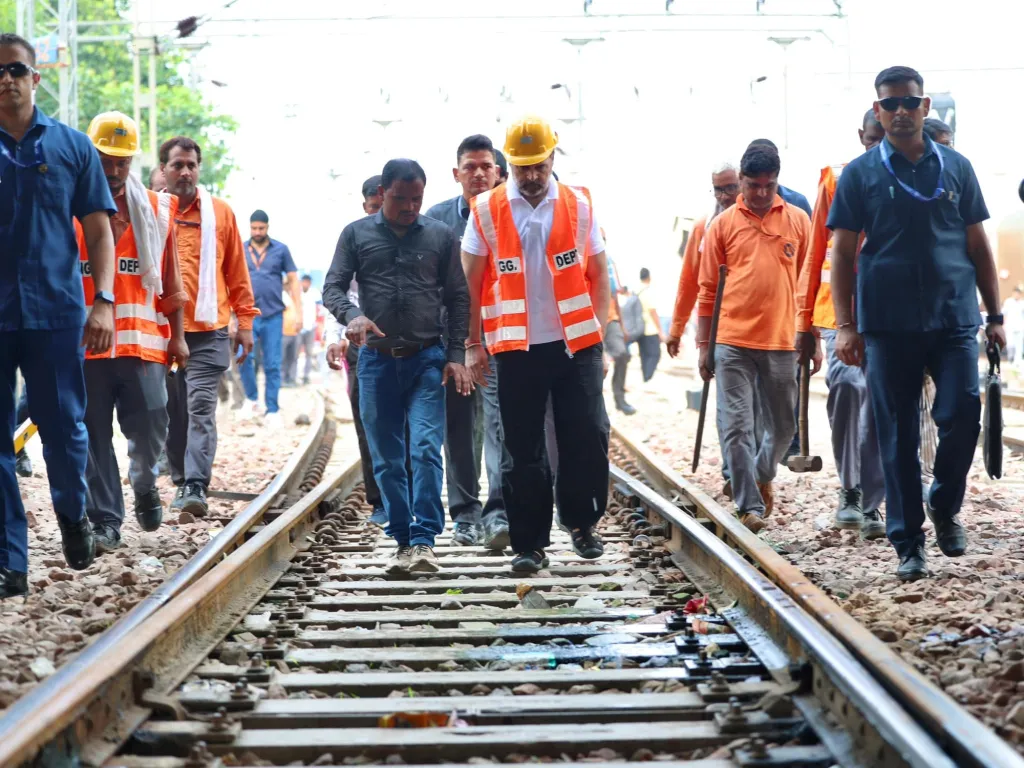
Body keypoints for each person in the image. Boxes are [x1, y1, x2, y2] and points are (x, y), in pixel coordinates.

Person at [828, 66, 1004, 581]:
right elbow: (841, 254)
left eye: (909, 102)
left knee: (962, 414)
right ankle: (908, 544)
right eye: (890, 105)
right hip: (886, 324)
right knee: (898, 434)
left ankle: (944, 505)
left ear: (925, 107)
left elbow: (978, 245)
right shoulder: (860, 175)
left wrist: (993, 315)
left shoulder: (956, 168)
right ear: (878, 111)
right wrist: (846, 325)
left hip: (953, 317)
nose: (900, 112)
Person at [461, 115, 610, 573]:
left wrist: (598, 337)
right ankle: (529, 544)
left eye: (538, 167)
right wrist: (472, 343)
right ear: (512, 163)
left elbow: (600, 275)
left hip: (575, 345)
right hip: (515, 347)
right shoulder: (486, 210)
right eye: (522, 167)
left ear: (552, 159)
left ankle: (582, 524)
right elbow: (469, 282)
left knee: (585, 437)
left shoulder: (579, 205)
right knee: (522, 449)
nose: (530, 177)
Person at [0, 33, 117, 596]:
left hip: (57, 312)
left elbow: (99, 232)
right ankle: (11, 563)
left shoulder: (73, 147)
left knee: (64, 428)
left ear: (35, 77)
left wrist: (105, 301)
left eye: (17, 69)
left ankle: (74, 519)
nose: (7, 79)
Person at [323, 159, 472, 575]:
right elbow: (332, 286)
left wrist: (456, 356)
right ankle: (404, 540)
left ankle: (425, 540)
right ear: (383, 193)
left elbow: (459, 297)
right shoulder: (356, 234)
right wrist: (350, 314)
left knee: (425, 448)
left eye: (416, 199)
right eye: (400, 199)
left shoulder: (441, 237)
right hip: (376, 363)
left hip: (427, 359)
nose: (409, 207)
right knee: (388, 458)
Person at [75, 111, 190, 552]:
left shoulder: (158, 210)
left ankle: (144, 480)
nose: (114, 169)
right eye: (106, 158)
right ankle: (105, 521)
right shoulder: (68, 205)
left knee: (151, 423)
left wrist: (178, 337)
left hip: (143, 346)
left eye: (123, 161)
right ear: (91, 155)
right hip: (88, 346)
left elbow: (172, 281)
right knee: (93, 435)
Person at [697, 143, 811, 534]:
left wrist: (807, 330)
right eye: (752, 185)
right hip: (732, 341)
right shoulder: (723, 225)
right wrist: (702, 346)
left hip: (782, 342)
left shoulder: (798, 221)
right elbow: (707, 289)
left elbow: (808, 283)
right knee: (737, 426)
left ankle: (763, 473)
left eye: (768, 185)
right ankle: (749, 505)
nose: (760, 193)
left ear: (777, 182)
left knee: (783, 428)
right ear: (741, 181)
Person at [795, 109, 887, 541]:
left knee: (880, 403)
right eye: (871, 138)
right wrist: (804, 324)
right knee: (848, 391)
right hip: (839, 315)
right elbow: (816, 252)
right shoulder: (836, 180)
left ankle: (872, 501)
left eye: (882, 138)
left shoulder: (908, 178)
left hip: (890, 315)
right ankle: (850, 489)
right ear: (861, 136)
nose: (877, 145)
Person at [161, 136, 257, 517]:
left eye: (191, 165)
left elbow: (236, 270)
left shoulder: (221, 213)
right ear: (164, 171)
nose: (185, 172)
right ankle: (181, 476)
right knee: (170, 410)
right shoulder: (151, 211)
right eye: (177, 165)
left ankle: (195, 485)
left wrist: (245, 322)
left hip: (209, 331)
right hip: (162, 333)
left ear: (198, 169)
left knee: (200, 406)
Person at [425, 134, 501, 547]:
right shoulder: (437, 222)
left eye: (485, 166)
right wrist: (451, 347)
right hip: (454, 345)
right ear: (456, 174)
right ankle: (466, 514)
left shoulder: (510, 213)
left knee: (500, 427)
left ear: (498, 172)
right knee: (459, 429)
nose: (478, 174)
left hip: (504, 340)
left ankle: (500, 511)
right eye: (469, 167)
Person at [667, 161, 757, 499]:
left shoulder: (758, 221)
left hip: (764, 330)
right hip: (724, 330)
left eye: (730, 187)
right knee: (731, 407)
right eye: (718, 189)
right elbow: (689, 280)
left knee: (759, 408)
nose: (725, 195)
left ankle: (752, 467)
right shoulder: (704, 226)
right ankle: (734, 469)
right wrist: (677, 328)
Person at [324, 175, 388, 528]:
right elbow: (338, 294)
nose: (382, 214)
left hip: (403, 345)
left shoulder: (415, 237)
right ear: (366, 206)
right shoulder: (353, 239)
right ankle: (378, 499)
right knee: (368, 423)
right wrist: (336, 336)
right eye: (375, 207)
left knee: (406, 425)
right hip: (361, 347)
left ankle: (403, 495)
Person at [238, 210, 301, 427]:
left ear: (267, 227)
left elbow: (293, 281)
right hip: (247, 315)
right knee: (243, 357)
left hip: (274, 315)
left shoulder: (281, 250)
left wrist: (299, 313)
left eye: (261, 228)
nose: (257, 232)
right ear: (250, 227)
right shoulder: (240, 249)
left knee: (273, 363)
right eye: (254, 228)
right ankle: (252, 398)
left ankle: (272, 409)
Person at [635, 268, 664, 382]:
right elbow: (653, 312)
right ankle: (648, 378)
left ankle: (645, 377)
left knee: (644, 355)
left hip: (639, 329)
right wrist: (660, 330)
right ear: (649, 277)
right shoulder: (648, 291)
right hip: (650, 329)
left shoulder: (637, 291)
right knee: (655, 355)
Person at [298, 274, 321, 385]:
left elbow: (320, 306)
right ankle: (295, 376)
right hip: (299, 328)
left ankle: (306, 376)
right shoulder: (297, 294)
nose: (306, 283)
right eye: (304, 281)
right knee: (296, 354)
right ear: (301, 282)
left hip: (310, 327)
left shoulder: (314, 293)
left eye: (308, 282)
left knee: (308, 353)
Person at [281, 278, 301, 388]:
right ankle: (282, 379)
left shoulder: (293, 296)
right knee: (282, 358)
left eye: (289, 284)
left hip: (294, 332)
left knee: (292, 357)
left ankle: (290, 379)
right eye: (286, 284)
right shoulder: (281, 295)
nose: (287, 286)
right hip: (284, 332)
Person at [1003, 286, 1024, 363]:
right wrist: (1003, 324)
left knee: (1019, 345)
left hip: (1020, 327)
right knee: (1010, 344)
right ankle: (1010, 358)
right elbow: (1004, 313)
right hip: (1010, 326)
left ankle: (1017, 360)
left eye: (1018, 293)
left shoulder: (1022, 303)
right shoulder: (1008, 302)